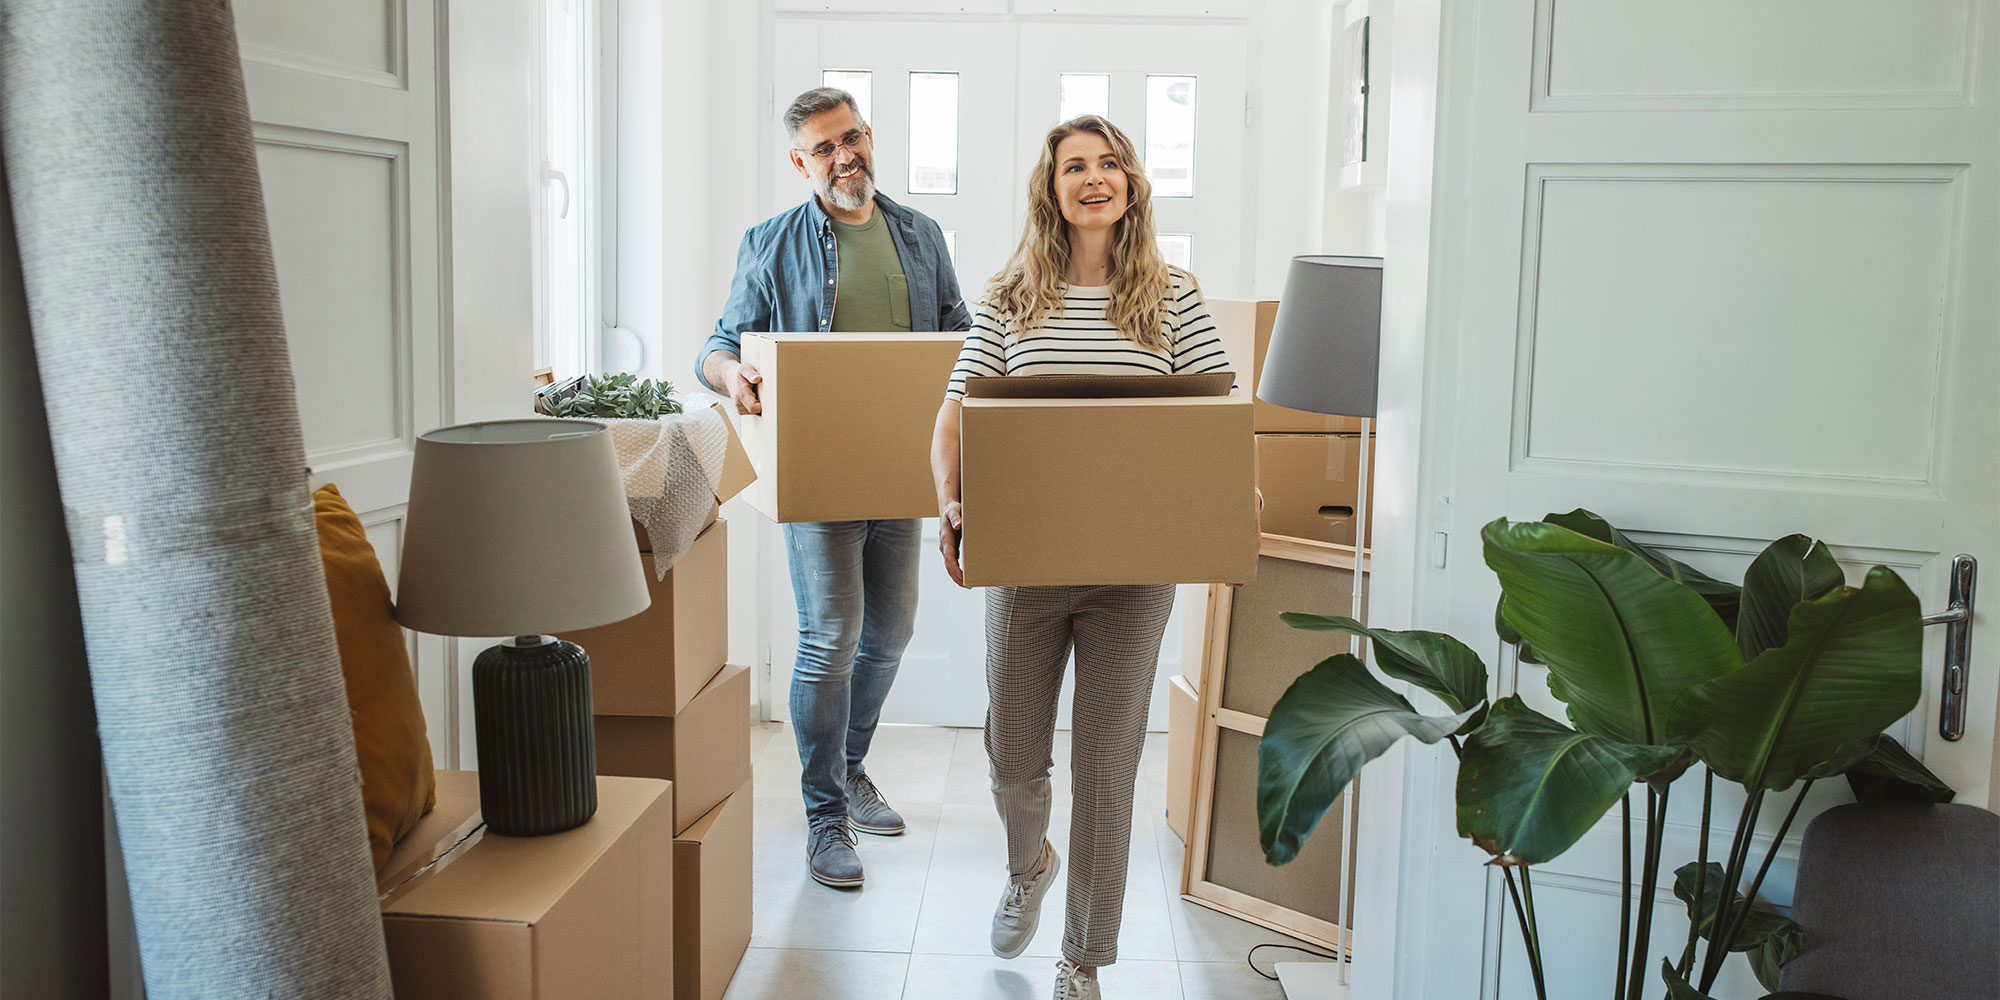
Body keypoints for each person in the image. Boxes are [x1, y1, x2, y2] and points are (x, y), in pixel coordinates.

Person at [928, 115, 1241, 1000]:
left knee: (1107, 767)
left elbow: (1215, 417)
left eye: (1110, 164)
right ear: (1051, 189)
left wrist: (1230, 491)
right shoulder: (1008, 297)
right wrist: (948, 501)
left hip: (1134, 572)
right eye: (1075, 166)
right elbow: (954, 417)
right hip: (1027, 565)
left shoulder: (1173, 296)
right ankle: (1028, 864)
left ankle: (1083, 959)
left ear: (1134, 184)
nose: (1094, 178)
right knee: (1014, 754)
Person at [700, 87, 971, 890]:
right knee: (831, 636)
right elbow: (717, 344)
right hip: (817, 475)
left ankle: (850, 768)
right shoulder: (770, 241)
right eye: (824, 147)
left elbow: (960, 329)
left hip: (900, 468)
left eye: (851, 138)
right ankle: (824, 815)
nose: (844, 156)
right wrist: (732, 372)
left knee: (891, 630)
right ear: (800, 162)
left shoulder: (919, 236)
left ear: (870, 137)